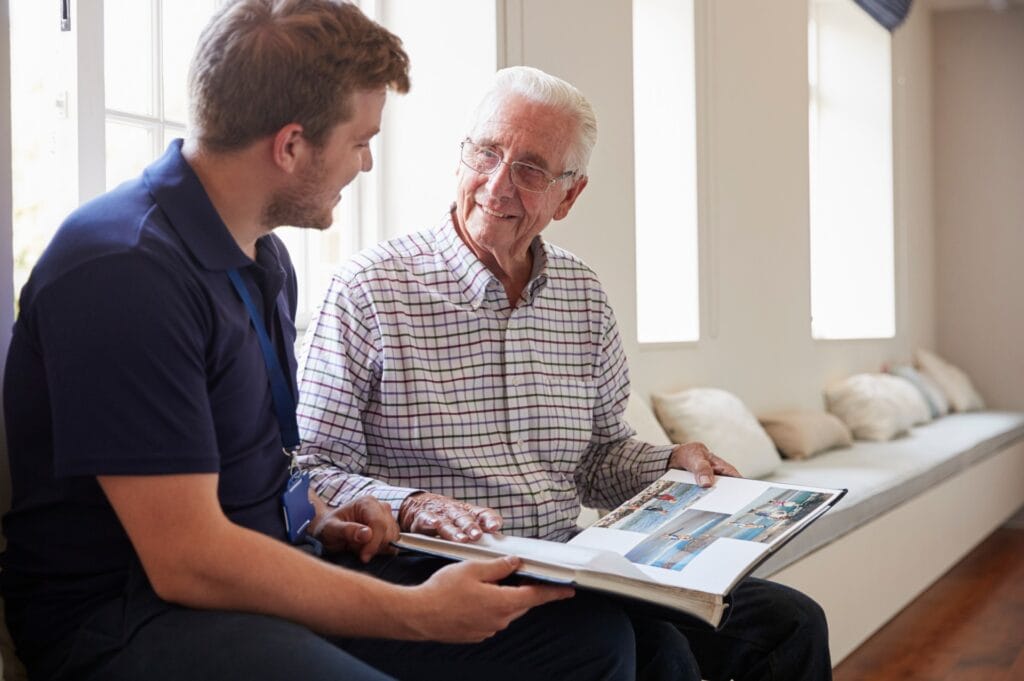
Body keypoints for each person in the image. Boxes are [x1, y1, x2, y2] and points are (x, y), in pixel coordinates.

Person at [0, 4, 639, 680]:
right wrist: (418, 611)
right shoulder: (123, 271)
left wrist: (316, 515)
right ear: (292, 145)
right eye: (360, 140)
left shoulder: (263, 262)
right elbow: (186, 557)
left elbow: (263, 465)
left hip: (253, 574)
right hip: (131, 615)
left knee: (588, 641)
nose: (366, 164)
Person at [297, 65, 834, 681]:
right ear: (460, 156)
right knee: (653, 650)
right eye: (486, 153)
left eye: (530, 169)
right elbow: (310, 468)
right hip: (433, 569)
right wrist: (414, 503)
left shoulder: (581, 294)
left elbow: (599, 458)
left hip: (572, 562)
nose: (498, 185)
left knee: (790, 623)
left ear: (568, 196)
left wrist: (670, 464)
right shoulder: (368, 288)